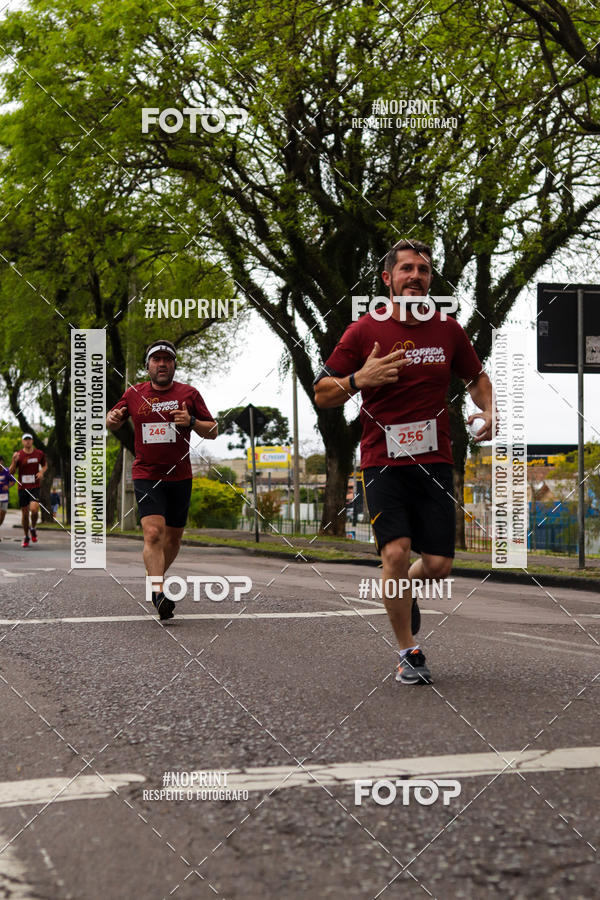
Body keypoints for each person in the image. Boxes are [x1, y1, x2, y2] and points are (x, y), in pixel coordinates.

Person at [314, 239, 492, 685]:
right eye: (407, 269)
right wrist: (359, 379)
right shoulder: (362, 332)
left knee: (437, 566)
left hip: (435, 461)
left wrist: (489, 411)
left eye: (424, 270)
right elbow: (322, 393)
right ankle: (408, 651)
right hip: (382, 461)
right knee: (394, 552)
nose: (416, 276)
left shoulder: (449, 330)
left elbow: (477, 378)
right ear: (387, 279)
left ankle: (407, 586)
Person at [106, 339, 217, 621]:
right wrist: (113, 418)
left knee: (173, 538)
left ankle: (153, 576)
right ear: (148, 366)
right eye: (156, 359)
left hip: (180, 475)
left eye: (167, 359)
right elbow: (113, 421)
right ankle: (158, 593)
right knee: (154, 533)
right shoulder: (134, 394)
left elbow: (213, 430)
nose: (162, 363)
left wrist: (191, 422)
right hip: (147, 473)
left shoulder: (189, 393)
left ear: (174, 364)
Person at [9, 434, 48, 547]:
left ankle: (33, 528)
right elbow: (11, 472)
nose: (27, 442)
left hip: (34, 486)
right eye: (25, 440)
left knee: (34, 509)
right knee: (25, 515)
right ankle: (26, 536)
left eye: (29, 439)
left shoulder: (39, 453)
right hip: (22, 488)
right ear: (22, 442)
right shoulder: (18, 455)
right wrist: (13, 461)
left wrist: (41, 472)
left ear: (32, 441)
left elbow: (45, 465)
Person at [0, 456, 15, 540]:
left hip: (4, 496)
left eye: (1, 463)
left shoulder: (6, 471)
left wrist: (8, 486)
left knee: (2, 515)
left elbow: (13, 481)